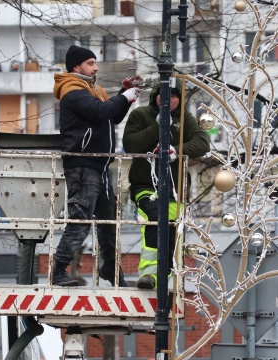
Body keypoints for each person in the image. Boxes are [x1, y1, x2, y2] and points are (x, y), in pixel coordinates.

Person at [51, 45, 141, 287]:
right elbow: (102, 112)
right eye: (90, 63)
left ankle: (110, 268)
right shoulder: (72, 90)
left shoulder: (93, 91)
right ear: (76, 67)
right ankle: (58, 269)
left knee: (108, 221)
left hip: (99, 165)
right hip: (83, 164)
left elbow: (111, 115)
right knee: (80, 219)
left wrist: (124, 95)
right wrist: (124, 96)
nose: (96, 67)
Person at [122, 79, 210, 290]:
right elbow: (130, 143)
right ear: (155, 96)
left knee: (171, 231)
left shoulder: (185, 119)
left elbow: (203, 143)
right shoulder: (140, 115)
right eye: (165, 94)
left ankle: (162, 276)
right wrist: (157, 126)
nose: (169, 99)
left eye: (174, 96)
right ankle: (149, 274)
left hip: (175, 188)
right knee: (154, 219)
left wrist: (175, 151)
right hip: (145, 184)